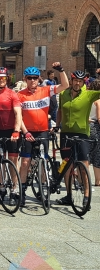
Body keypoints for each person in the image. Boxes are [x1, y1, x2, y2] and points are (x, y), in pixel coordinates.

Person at [16, 63, 68, 207]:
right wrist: (25, 132)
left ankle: (43, 188)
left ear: (39, 79)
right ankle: (23, 190)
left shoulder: (45, 90)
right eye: (29, 78)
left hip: (43, 131)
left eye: (35, 78)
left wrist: (61, 70)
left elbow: (65, 86)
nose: (33, 80)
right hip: (28, 132)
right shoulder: (20, 95)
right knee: (25, 162)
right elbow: (18, 117)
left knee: (44, 160)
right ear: (25, 79)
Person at [56, 71, 100, 207]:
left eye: (80, 81)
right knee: (66, 164)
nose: (77, 83)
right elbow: (59, 111)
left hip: (82, 134)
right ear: (72, 80)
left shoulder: (88, 94)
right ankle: (68, 195)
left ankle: (86, 196)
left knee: (84, 165)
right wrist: (57, 126)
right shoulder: (63, 94)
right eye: (75, 80)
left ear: (84, 82)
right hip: (65, 133)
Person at [0, 67, 23, 205]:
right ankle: (1, 188)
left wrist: (16, 131)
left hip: (11, 131)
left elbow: (18, 113)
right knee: (0, 160)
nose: (1, 80)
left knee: (13, 160)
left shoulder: (12, 94)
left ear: (7, 79)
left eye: (4, 78)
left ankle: (13, 189)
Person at [88, 80, 100, 190]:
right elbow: (99, 118)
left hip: (87, 127)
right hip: (96, 128)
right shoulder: (98, 101)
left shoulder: (88, 100)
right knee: (97, 154)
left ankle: (82, 178)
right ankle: (97, 180)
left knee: (86, 153)